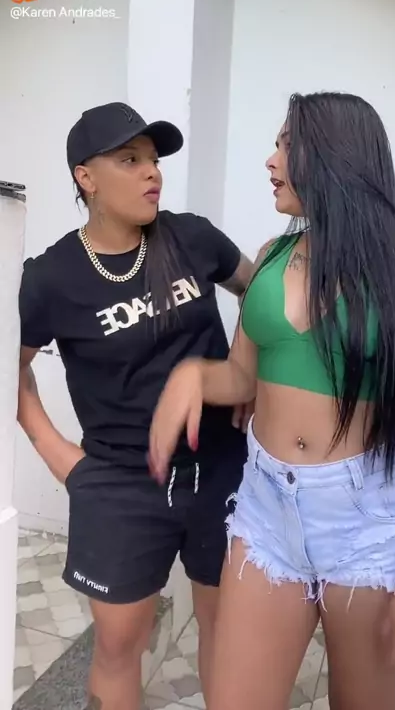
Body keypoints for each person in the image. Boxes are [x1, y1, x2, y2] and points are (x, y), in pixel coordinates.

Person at [149, 92, 395, 710]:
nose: (270, 161)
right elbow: (242, 378)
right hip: (267, 509)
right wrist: (193, 377)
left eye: (286, 145)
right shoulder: (273, 256)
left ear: (335, 154)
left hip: (365, 521)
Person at [17, 102, 253, 710]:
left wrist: (246, 377)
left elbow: (265, 297)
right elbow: (10, 371)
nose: (152, 172)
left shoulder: (192, 237)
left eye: (153, 159)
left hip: (220, 468)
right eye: (129, 159)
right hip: (119, 482)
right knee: (121, 643)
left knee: (227, 631)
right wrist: (61, 458)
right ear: (85, 177)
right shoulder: (50, 277)